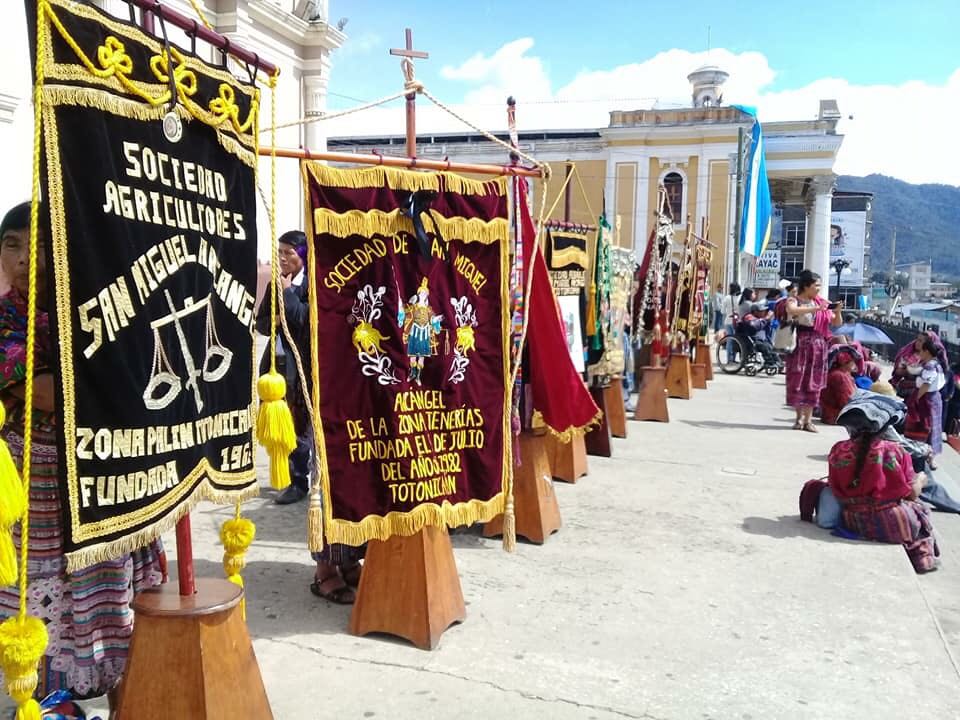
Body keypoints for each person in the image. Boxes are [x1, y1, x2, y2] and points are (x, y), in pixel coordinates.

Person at [0, 202, 166, 708]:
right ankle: (52, 706)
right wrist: (96, 383)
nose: (28, 257)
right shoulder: (7, 317)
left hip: (102, 475)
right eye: (13, 245)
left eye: (41, 244)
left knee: (113, 597)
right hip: (36, 482)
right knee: (40, 600)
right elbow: (44, 390)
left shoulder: (97, 304)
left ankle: (123, 698)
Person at [829, 403, 939, 574]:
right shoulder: (893, 450)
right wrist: (921, 479)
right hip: (892, 521)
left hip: (853, 520)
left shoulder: (838, 449)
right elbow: (911, 494)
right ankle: (923, 559)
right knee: (920, 508)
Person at [256, 230, 311, 505]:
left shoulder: (315, 284)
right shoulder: (274, 285)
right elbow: (261, 323)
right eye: (280, 252)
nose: (283, 258)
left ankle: (304, 477)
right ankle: (295, 479)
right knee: (287, 422)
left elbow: (303, 319)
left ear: (303, 254)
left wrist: (288, 293)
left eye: (289, 253)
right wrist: (276, 318)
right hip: (278, 365)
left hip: (305, 367)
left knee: (302, 424)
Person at [784, 270, 843, 432]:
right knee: (798, 380)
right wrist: (816, 309)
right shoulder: (794, 300)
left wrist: (837, 311)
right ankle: (798, 418)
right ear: (806, 286)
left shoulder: (821, 302)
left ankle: (808, 420)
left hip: (817, 345)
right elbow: (792, 310)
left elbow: (836, 323)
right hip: (799, 344)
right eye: (816, 285)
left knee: (813, 382)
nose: (818, 289)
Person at [905, 335, 945, 458]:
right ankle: (929, 454)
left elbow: (926, 384)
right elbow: (916, 371)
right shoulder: (935, 364)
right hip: (934, 398)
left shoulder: (930, 366)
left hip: (927, 399)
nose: (920, 353)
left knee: (925, 426)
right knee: (933, 426)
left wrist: (916, 399)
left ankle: (925, 454)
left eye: (921, 351)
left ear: (927, 351)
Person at [891, 330, 947, 398]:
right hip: (906, 392)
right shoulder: (909, 354)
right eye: (917, 339)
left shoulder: (933, 362)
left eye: (920, 341)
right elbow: (898, 371)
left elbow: (928, 382)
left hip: (924, 395)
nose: (917, 343)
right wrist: (904, 371)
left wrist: (911, 381)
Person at [819, 349, 858, 425]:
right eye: (852, 362)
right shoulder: (839, 376)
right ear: (845, 363)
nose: (854, 364)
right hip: (836, 416)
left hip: (832, 414)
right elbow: (845, 400)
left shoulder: (844, 374)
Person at [736, 303, 780, 369]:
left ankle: (778, 363)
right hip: (748, 340)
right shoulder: (749, 317)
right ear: (755, 312)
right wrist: (766, 318)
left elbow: (767, 332)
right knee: (764, 347)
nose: (764, 312)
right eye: (762, 311)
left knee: (770, 346)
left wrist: (768, 321)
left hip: (758, 339)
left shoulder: (760, 318)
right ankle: (769, 363)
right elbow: (755, 326)